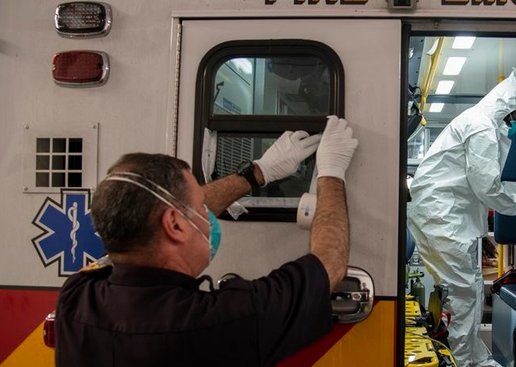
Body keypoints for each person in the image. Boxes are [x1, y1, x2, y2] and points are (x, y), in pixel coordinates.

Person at [54, 115, 359, 367]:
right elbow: (328, 263)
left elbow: (145, 224)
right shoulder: (219, 322)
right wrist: (331, 170)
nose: (208, 214)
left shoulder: (76, 299)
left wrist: (258, 173)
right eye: (201, 207)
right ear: (174, 224)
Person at [406, 69, 516, 367]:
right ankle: (463, 361)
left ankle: (471, 357)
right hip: (444, 218)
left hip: (449, 218)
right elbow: (486, 185)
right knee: (463, 296)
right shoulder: (481, 127)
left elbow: (491, 175)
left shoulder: (485, 125)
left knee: (468, 290)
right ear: (509, 105)